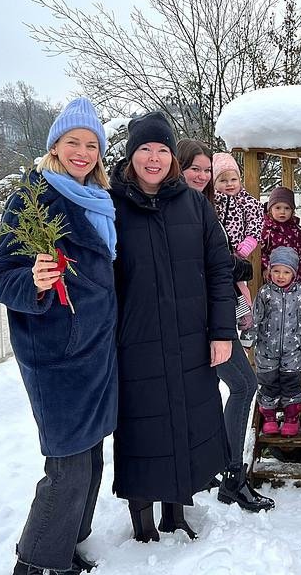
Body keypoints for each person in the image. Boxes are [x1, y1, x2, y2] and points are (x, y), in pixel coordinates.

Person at [0, 97, 117, 575]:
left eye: (91, 144)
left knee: (92, 452)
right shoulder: (33, 199)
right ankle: (38, 560)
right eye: (72, 142)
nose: (82, 152)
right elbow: (2, 275)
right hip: (57, 353)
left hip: (99, 349)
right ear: (55, 147)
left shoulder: (101, 201)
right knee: (67, 463)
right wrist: (34, 282)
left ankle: (69, 541)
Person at [109, 114, 236, 542]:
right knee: (143, 428)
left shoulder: (194, 204)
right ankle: (142, 523)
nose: (154, 158)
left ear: (172, 158)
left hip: (190, 339)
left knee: (186, 421)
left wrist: (221, 331)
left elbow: (220, 268)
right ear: (131, 155)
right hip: (135, 342)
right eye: (145, 149)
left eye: (162, 149)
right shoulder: (111, 206)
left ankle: (176, 512)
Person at [178, 139, 275, 512]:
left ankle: (214, 469)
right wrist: (233, 267)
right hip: (200, 317)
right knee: (242, 384)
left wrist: (236, 264)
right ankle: (231, 475)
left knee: (216, 389)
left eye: (208, 171)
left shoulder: (204, 206)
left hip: (217, 310)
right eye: (196, 170)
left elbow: (219, 254)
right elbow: (201, 261)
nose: (203, 177)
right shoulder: (184, 208)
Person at [245, 246, 301, 437]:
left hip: (293, 350)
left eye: (286, 272)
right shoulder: (264, 294)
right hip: (266, 349)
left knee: (291, 383)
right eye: (276, 271)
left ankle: (291, 419)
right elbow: (256, 318)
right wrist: (248, 340)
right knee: (268, 383)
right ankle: (269, 418)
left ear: (293, 273)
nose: (280, 276)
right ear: (269, 271)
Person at [260, 186, 301, 287]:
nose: (282, 212)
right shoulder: (266, 231)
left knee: (296, 301)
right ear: (270, 209)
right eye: (278, 208)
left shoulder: (298, 231)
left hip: (297, 279)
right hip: (273, 278)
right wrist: (266, 267)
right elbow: (260, 252)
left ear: (292, 211)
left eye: (287, 208)